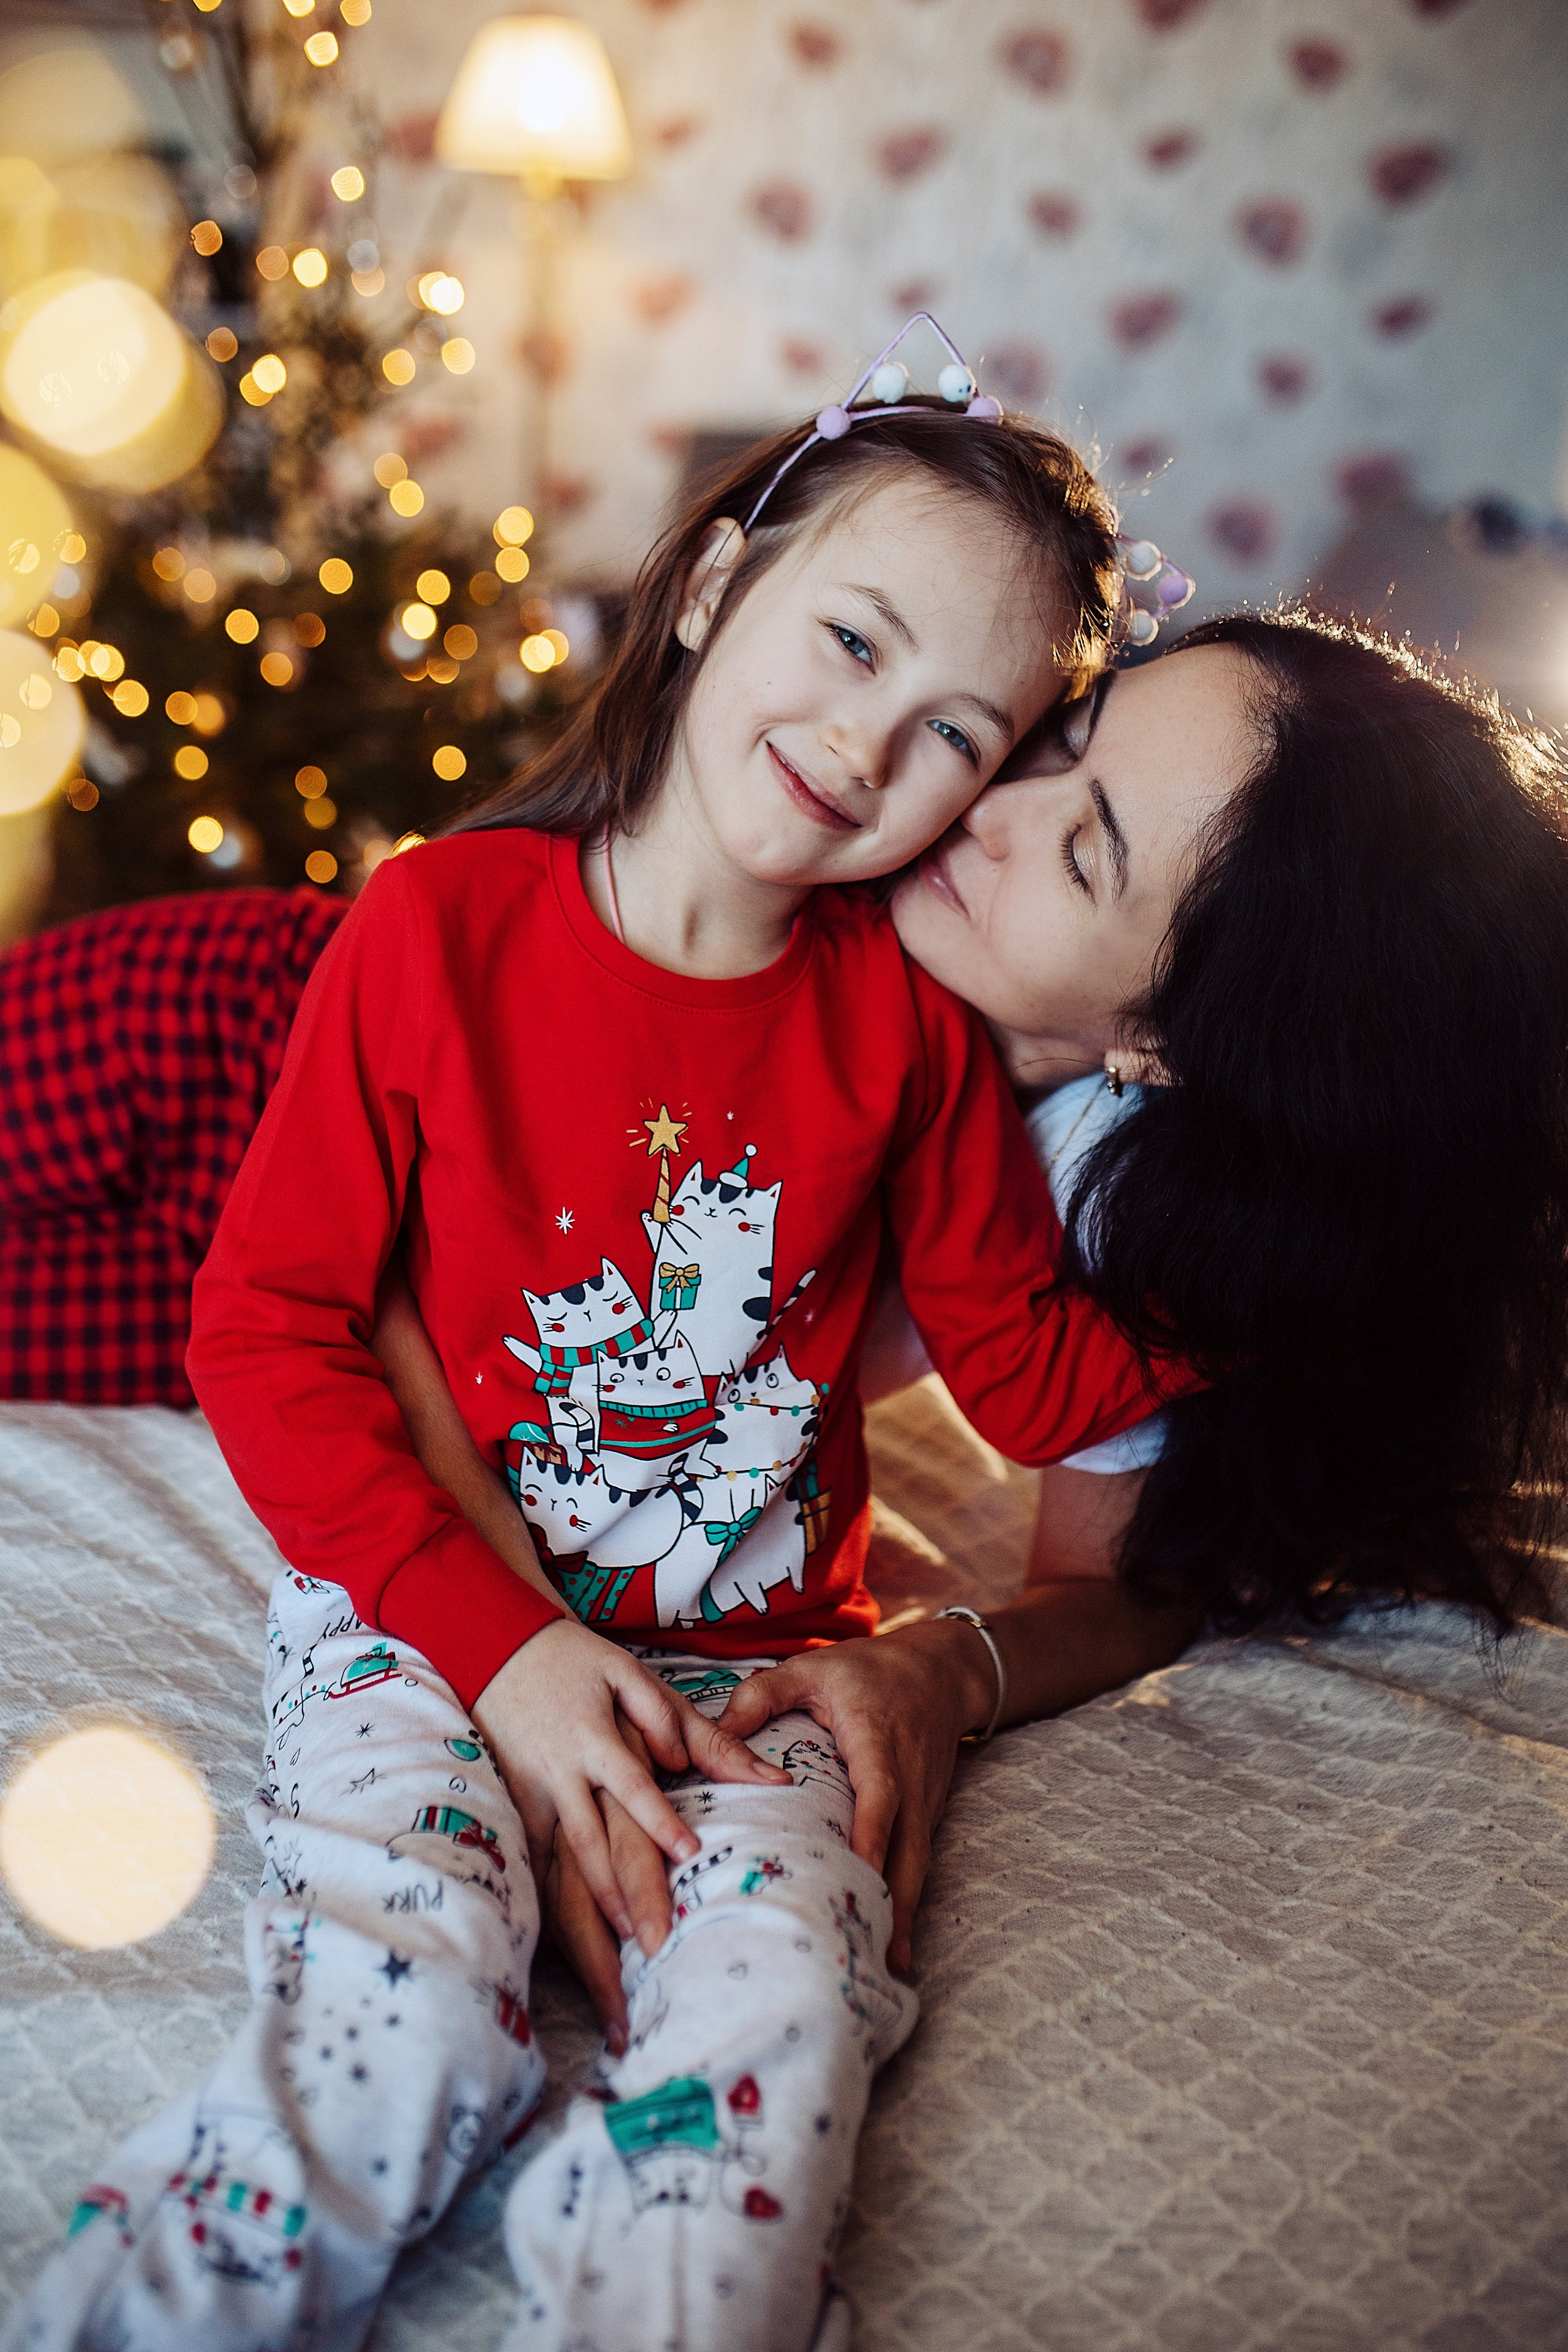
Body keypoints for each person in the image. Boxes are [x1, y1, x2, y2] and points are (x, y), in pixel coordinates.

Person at [6, 330, 1193, 2352]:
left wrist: (1281, 1293)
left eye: (952, 731)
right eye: (850, 640)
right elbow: (267, 1332)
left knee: (776, 2040)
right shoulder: (434, 931)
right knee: (394, 2029)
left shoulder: (911, 1030)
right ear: (719, 583)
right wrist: (506, 1652)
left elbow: (1030, 1378)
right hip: (423, 1627)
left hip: (757, 1667)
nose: (865, 742)